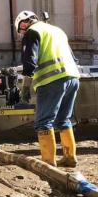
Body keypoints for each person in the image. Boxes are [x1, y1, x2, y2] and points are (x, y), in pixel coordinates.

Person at [16, 9, 81, 167]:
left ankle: (48, 163)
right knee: (63, 119)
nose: (22, 32)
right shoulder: (57, 31)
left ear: (24, 24)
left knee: (44, 122)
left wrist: (25, 88)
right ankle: (69, 157)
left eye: (20, 29)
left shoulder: (32, 32)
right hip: (73, 77)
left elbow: (29, 63)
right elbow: (73, 58)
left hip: (51, 80)